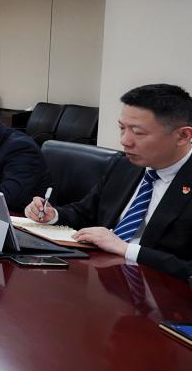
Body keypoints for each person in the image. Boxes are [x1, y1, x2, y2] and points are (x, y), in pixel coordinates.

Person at [24, 84, 192, 279]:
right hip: (104, 276)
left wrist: (126, 249)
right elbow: (84, 213)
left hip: (159, 288)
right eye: (122, 128)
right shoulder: (125, 165)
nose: (125, 141)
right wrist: (52, 215)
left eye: (138, 132)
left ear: (183, 136)